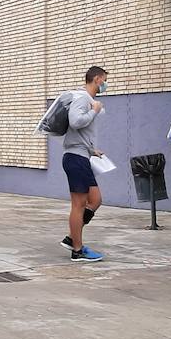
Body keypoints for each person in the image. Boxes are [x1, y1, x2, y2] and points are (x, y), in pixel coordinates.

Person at [59, 66, 108, 262]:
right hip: (75, 158)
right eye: (104, 80)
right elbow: (76, 122)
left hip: (82, 156)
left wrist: (91, 150)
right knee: (78, 205)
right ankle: (77, 250)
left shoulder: (87, 99)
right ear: (97, 79)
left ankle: (72, 237)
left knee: (95, 200)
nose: (105, 84)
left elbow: (79, 133)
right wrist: (94, 111)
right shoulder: (82, 98)